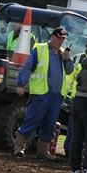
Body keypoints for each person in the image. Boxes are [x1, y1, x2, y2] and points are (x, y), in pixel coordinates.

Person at [13, 27, 74, 161]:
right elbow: (28, 66)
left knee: (50, 123)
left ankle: (43, 151)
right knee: (32, 120)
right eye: (59, 38)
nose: (61, 41)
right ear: (52, 37)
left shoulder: (63, 54)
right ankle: (19, 147)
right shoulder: (40, 49)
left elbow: (70, 71)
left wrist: (67, 59)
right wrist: (21, 83)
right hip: (41, 93)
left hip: (57, 95)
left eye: (63, 39)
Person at [62, 35, 87, 156]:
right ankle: (69, 151)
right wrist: (65, 95)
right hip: (77, 97)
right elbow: (69, 78)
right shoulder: (78, 58)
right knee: (73, 128)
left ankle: (83, 153)